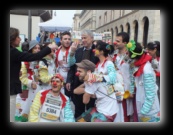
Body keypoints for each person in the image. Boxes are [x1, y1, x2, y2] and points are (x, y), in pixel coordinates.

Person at [10, 27, 57, 122]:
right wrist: (49, 48)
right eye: (18, 36)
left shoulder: (45, 62)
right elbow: (35, 57)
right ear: (12, 38)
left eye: (39, 48)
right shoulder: (13, 52)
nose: (20, 39)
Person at [66, 30, 99, 118]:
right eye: (82, 38)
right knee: (78, 111)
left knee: (91, 110)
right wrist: (69, 80)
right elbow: (72, 67)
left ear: (92, 38)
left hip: (92, 85)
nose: (83, 40)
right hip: (78, 84)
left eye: (85, 38)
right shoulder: (78, 51)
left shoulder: (97, 51)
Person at [126, 40, 160, 122]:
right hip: (142, 107)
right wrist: (131, 91)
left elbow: (151, 93)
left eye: (128, 54)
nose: (127, 56)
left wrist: (143, 112)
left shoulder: (146, 69)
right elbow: (133, 80)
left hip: (149, 112)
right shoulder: (137, 65)